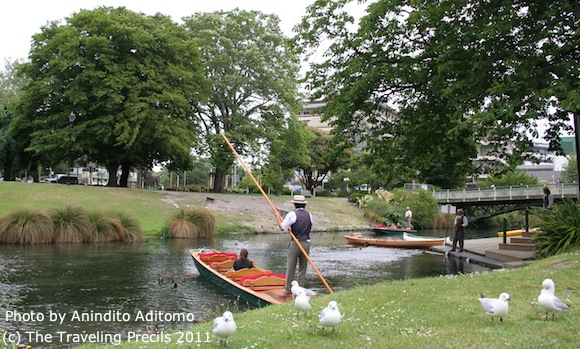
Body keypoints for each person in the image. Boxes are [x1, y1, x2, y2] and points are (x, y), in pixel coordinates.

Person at [279, 195, 313, 295]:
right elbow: (309, 226)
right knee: (303, 269)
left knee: (291, 267)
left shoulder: (291, 214)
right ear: (304, 205)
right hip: (306, 243)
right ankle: (300, 291)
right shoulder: (309, 215)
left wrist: (277, 217)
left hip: (296, 243)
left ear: (295, 204)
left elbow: (282, 228)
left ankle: (288, 290)